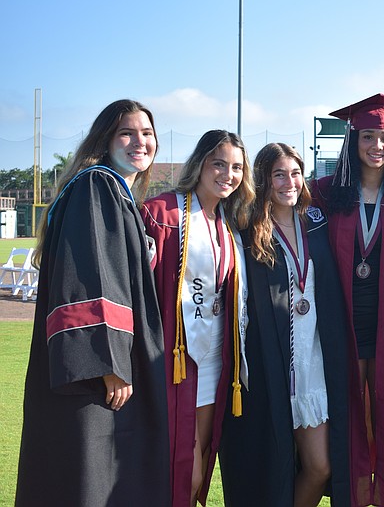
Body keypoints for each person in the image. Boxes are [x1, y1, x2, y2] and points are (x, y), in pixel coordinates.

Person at [16, 99, 170, 506]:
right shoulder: (96, 186)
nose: (140, 142)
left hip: (107, 366)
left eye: (147, 133)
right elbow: (90, 278)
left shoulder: (113, 191)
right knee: (89, 478)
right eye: (127, 133)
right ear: (105, 140)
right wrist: (109, 365)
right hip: (94, 372)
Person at [219, 143, 351, 507]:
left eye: (295, 173)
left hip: (314, 363)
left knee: (320, 466)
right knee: (272, 466)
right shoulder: (248, 231)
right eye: (279, 174)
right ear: (263, 179)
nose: (289, 182)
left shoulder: (315, 221)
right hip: (270, 367)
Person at [311, 93, 384, 506]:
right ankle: (355, 496)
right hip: (342, 323)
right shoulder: (323, 192)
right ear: (353, 141)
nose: (377, 147)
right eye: (368, 138)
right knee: (350, 414)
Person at [142, 130, 254, 507]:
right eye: (218, 164)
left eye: (237, 167)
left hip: (216, 359)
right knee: (180, 466)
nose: (228, 174)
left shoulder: (230, 223)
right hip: (175, 359)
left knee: (201, 460)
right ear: (200, 164)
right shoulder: (163, 213)